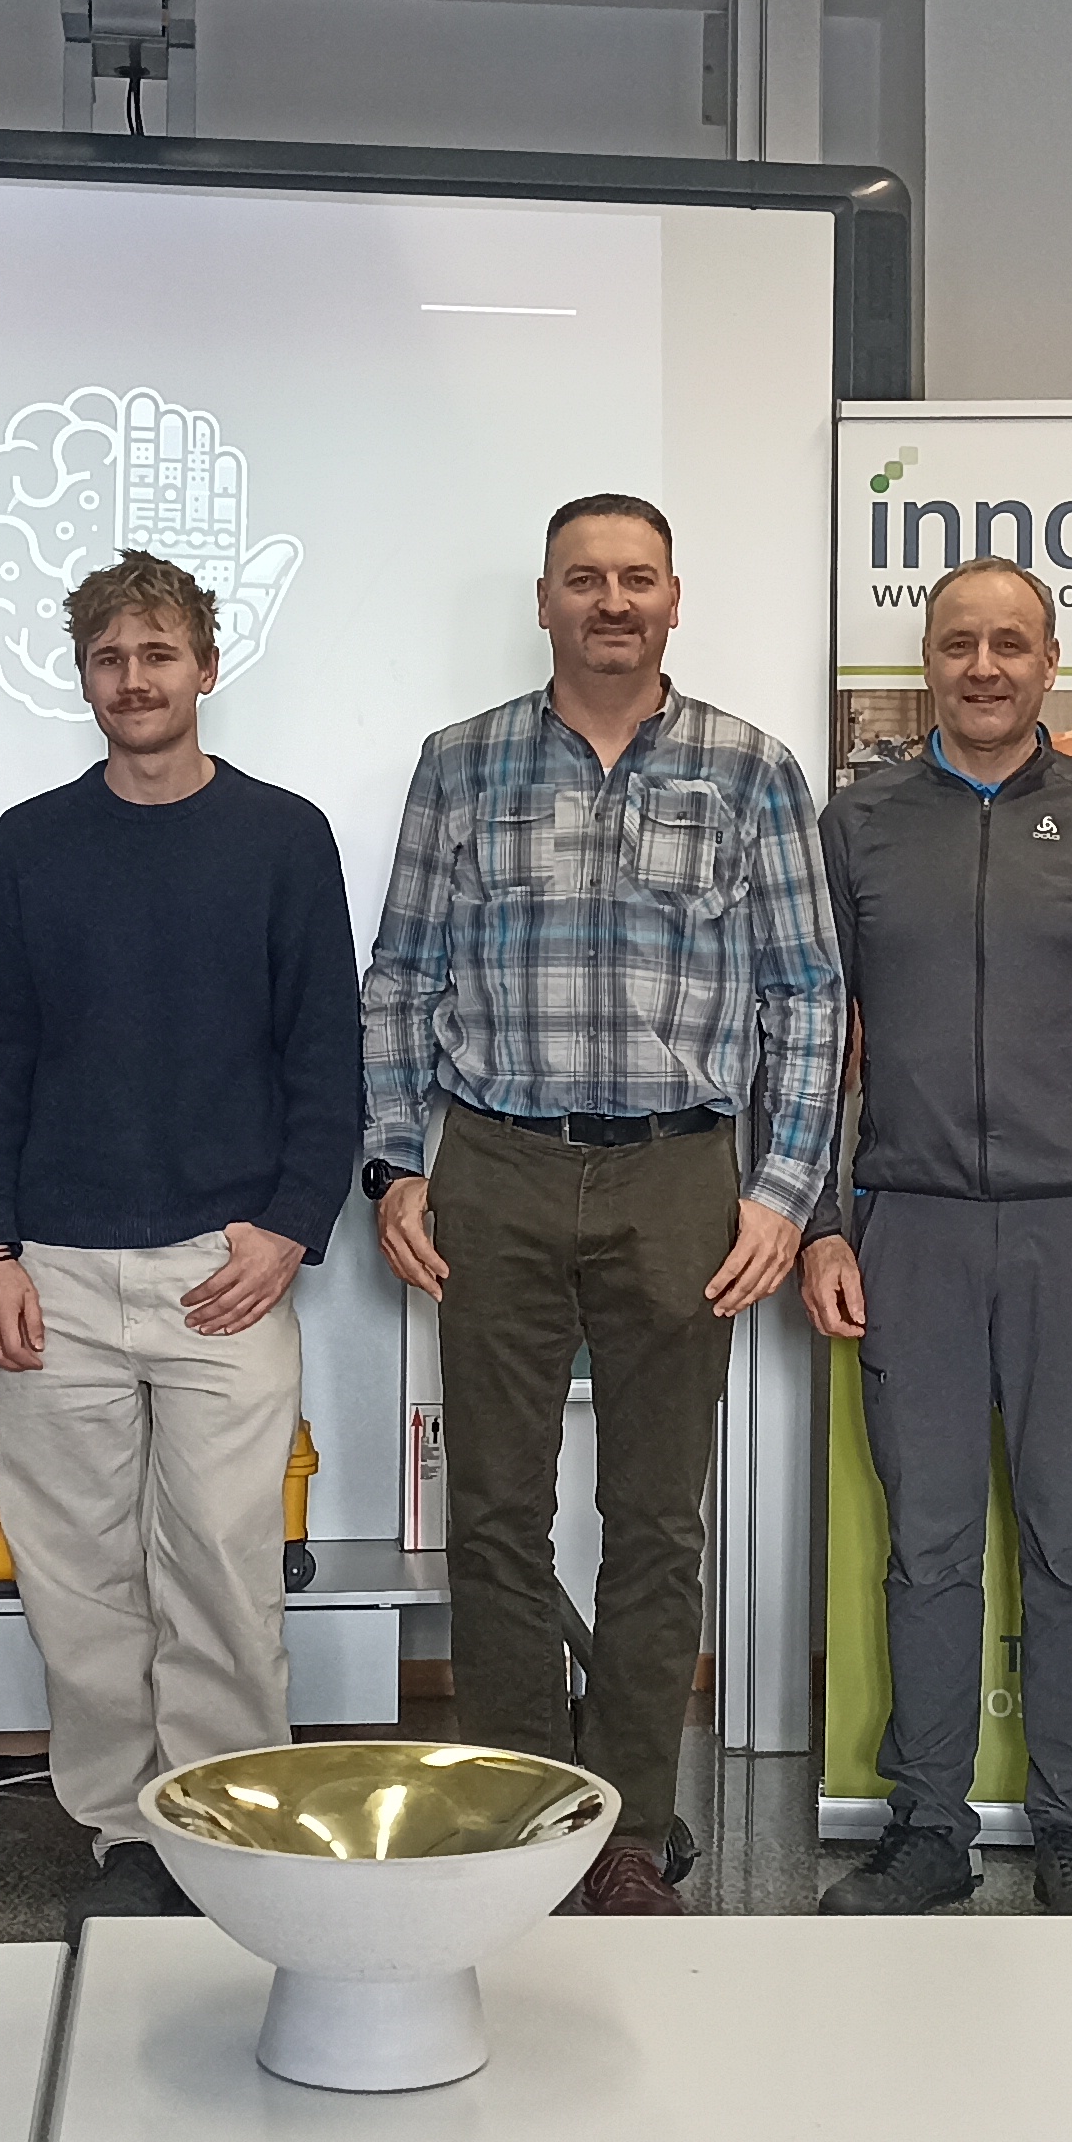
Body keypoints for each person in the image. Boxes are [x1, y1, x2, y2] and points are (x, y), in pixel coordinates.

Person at [359, 495, 846, 1915]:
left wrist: (781, 1191)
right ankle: (517, 1811)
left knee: (655, 1519)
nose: (612, 601)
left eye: (637, 578)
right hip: (493, 1165)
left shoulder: (751, 769)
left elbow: (808, 996)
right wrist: (394, 1162)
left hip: (681, 1177)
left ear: (674, 599)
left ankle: (629, 1823)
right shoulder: (461, 763)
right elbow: (400, 978)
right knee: (494, 1514)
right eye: (585, 578)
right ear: (545, 600)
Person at [0, 553, 360, 1931]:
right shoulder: (30, 844)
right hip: (52, 1270)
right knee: (78, 1582)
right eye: (110, 658)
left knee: (225, 1571)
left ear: (207, 667)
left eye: (159, 654)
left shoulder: (284, 838)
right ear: (84, 677)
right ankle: (127, 1833)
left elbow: (325, 1055)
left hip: (222, 1271)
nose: (135, 680)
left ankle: (226, 1824)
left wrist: (291, 1228)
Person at [801, 559, 1072, 1921]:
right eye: (959, 643)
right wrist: (819, 1221)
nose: (984, 666)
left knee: (1068, 1541)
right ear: (927, 660)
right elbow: (813, 1040)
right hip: (908, 1225)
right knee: (926, 1546)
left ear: (1048, 663)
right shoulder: (858, 824)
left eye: (1010, 644)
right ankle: (927, 1825)